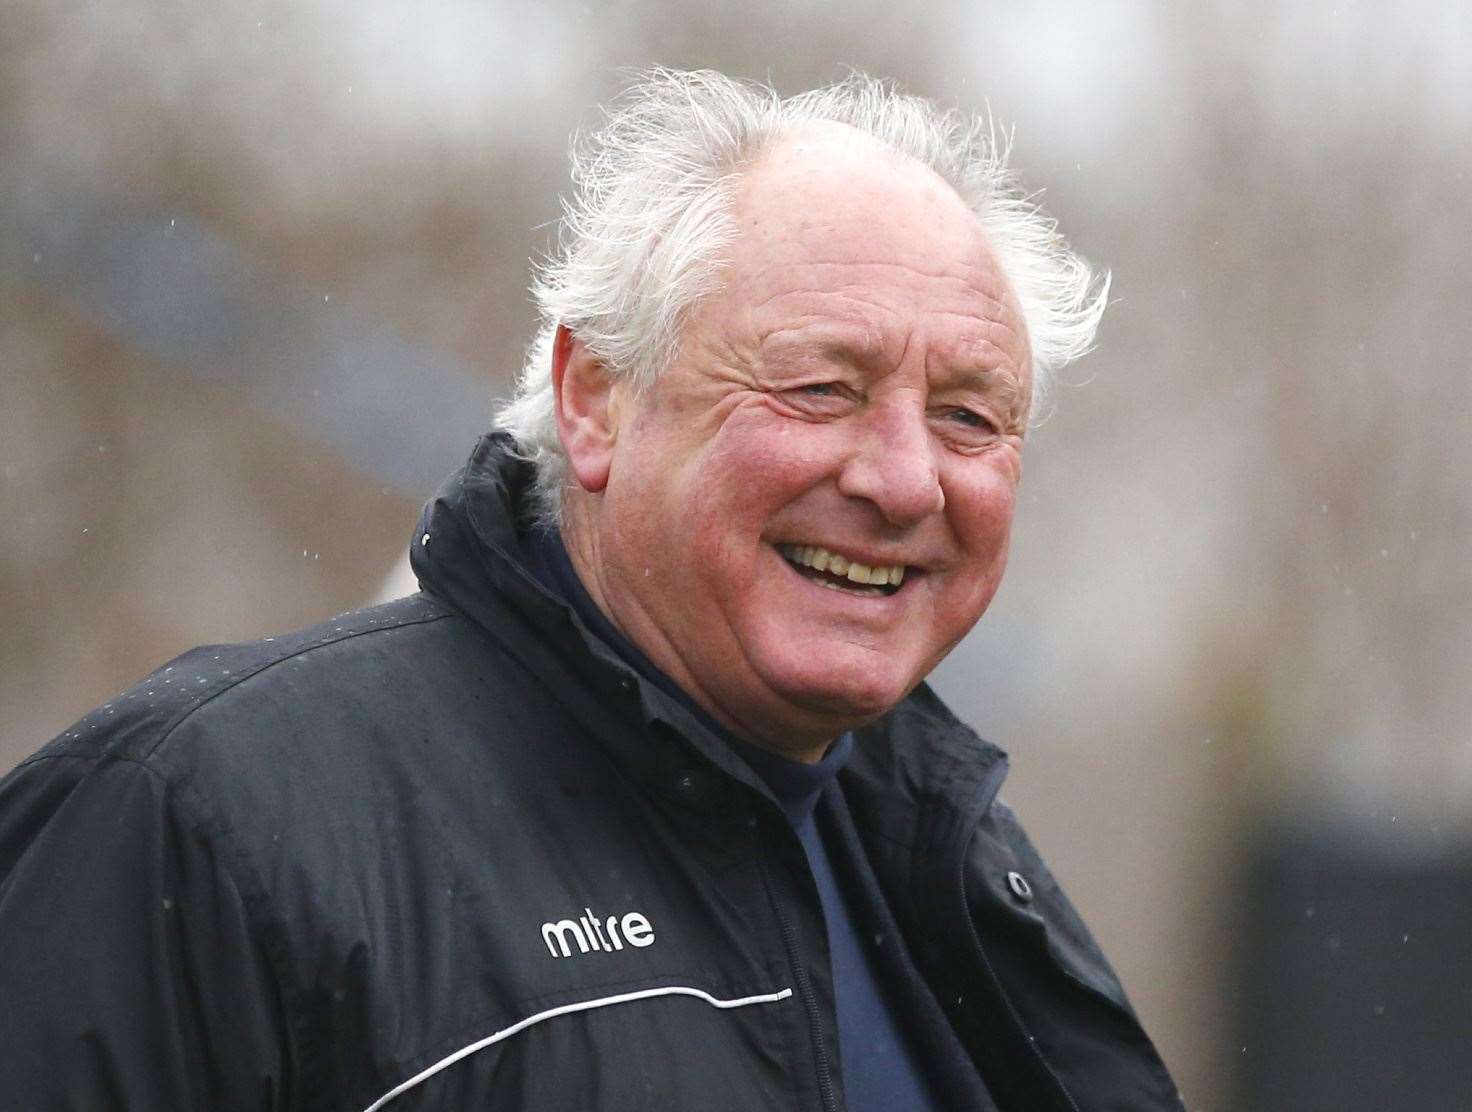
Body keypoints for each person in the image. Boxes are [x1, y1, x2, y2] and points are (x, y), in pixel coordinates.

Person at [0, 69, 1182, 1110]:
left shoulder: (966, 869)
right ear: (595, 399)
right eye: (820, 387)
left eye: (967, 416)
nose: (902, 477)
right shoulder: (200, 819)